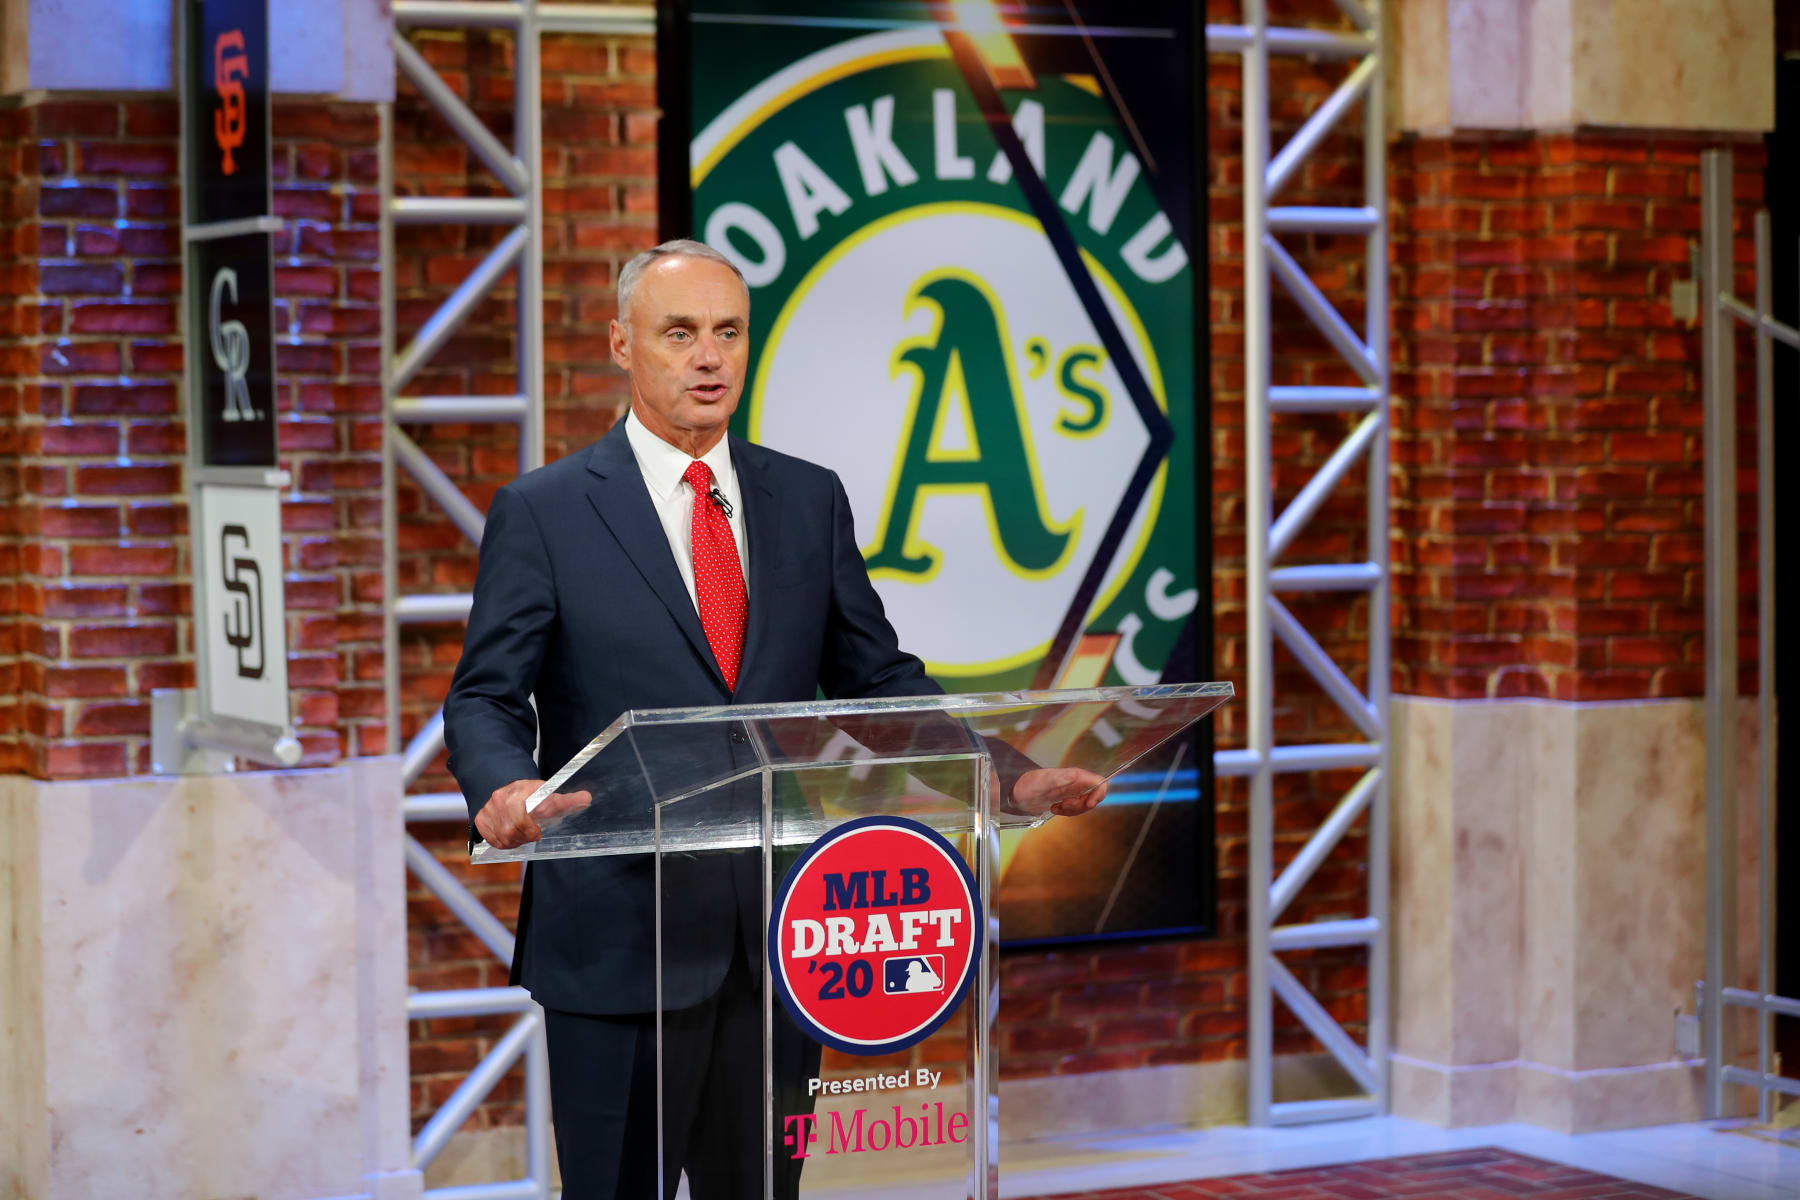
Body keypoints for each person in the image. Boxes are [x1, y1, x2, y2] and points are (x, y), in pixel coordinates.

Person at [444, 239, 1108, 1200]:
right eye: (680, 333)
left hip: (777, 943)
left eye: (727, 333)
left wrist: (1002, 776)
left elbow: (877, 683)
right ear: (623, 345)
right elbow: (485, 695)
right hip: (619, 938)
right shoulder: (544, 512)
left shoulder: (807, 498)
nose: (709, 357)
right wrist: (501, 787)